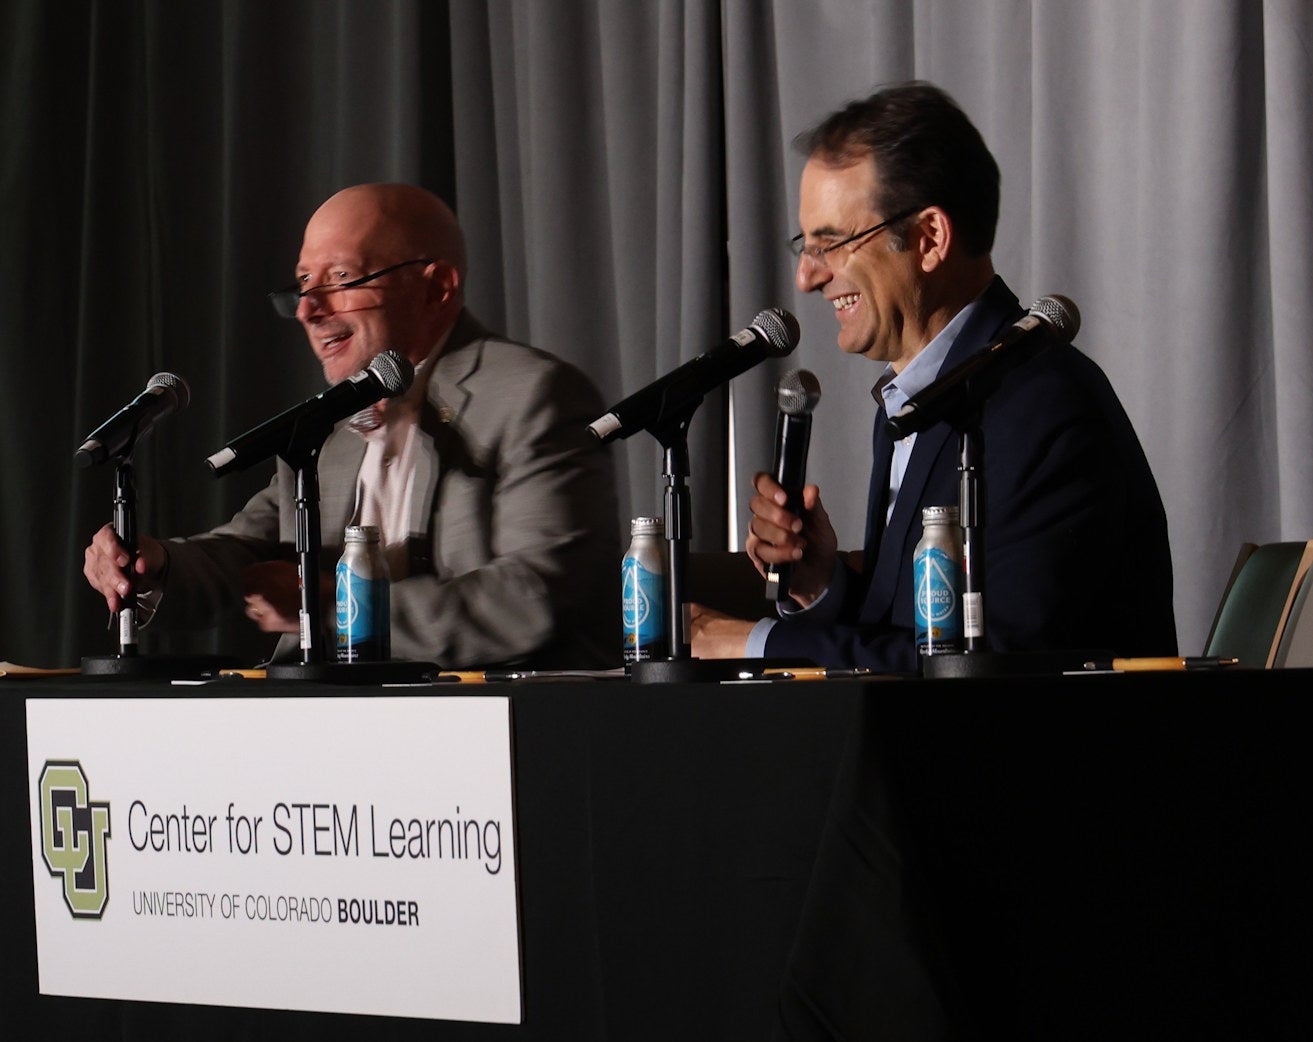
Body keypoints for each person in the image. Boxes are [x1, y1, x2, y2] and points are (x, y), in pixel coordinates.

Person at [691, 82, 1176, 670]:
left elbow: (997, 663)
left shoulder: (1043, 405)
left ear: (928, 239)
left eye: (833, 244)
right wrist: (823, 584)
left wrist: (747, 643)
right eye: (807, 246)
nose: (807, 278)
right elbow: (920, 635)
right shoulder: (916, 398)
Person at [84, 183, 618, 668]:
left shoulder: (533, 395)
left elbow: (532, 598)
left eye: (341, 278)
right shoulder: (331, 418)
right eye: (303, 284)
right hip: (335, 718)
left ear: (437, 287)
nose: (308, 310)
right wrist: (154, 565)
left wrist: (332, 606)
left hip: (493, 715)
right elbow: (249, 551)